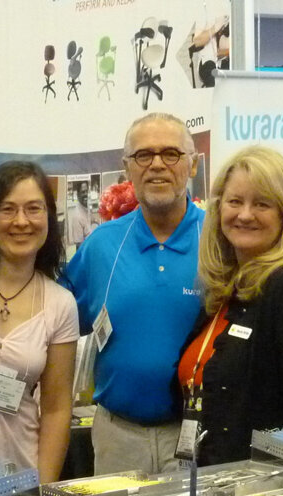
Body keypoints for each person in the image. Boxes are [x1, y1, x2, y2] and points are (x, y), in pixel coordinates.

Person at [180, 145, 283, 465]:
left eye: (262, 203)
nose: (245, 214)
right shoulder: (226, 290)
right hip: (208, 478)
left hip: (263, 492)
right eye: (234, 201)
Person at [61, 112, 203, 474]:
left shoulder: (220, 240)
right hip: (116, 437)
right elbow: (56, 318)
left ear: (193, 165)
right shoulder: (100, 245)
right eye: (143, 155)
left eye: (171, 153)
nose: (157, 165)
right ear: (128, 168)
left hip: (197, 435)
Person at [0, 161, 78, 483]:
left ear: (49, 218)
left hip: (19, 471)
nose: (21, 221)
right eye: (7, 209)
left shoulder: (60, 303)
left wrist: (44, 488)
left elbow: (56, 409)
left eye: (33, 209)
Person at [67, 180, 92, 245]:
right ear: (78, 194)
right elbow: (79, 247)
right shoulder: (77, 216)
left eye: (87, 191)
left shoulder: (87, 208)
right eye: (83, 192)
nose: (86, 194)